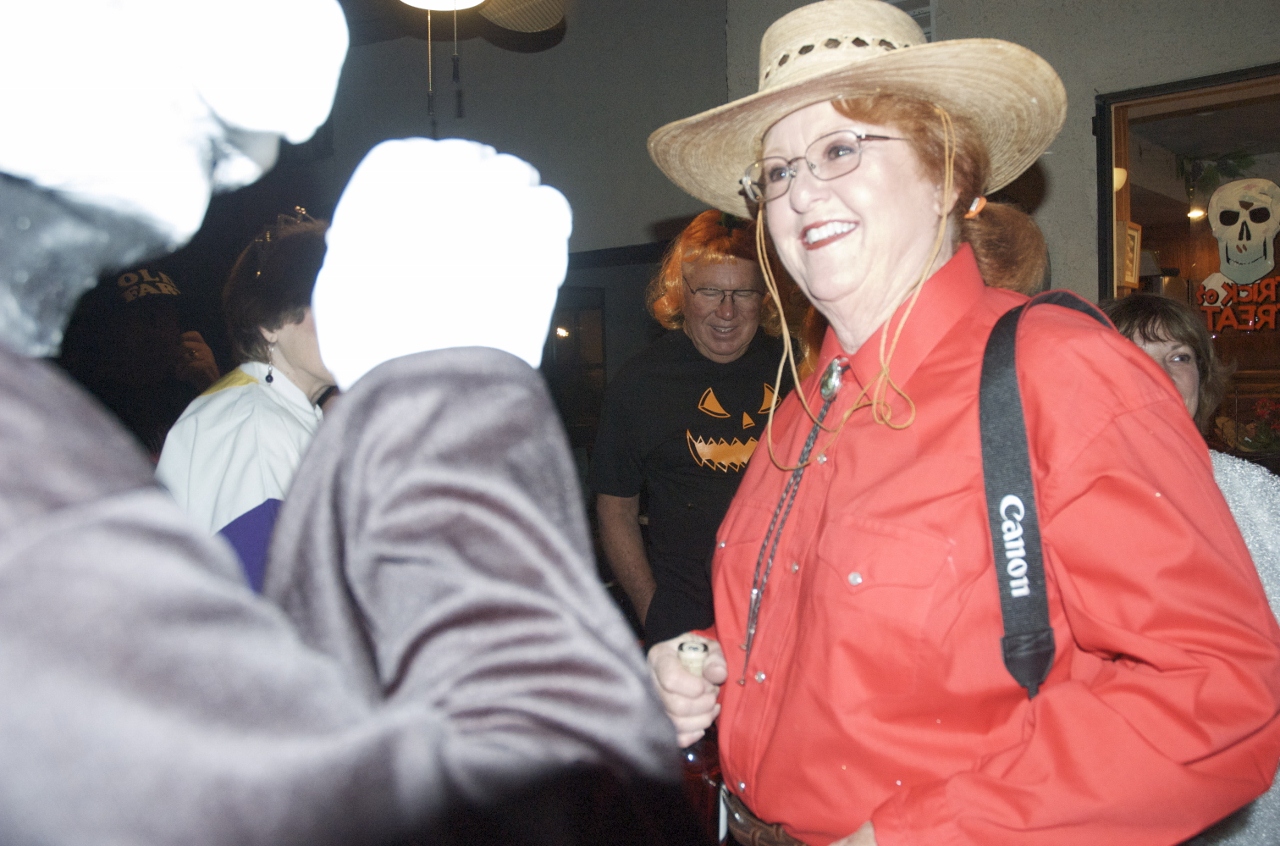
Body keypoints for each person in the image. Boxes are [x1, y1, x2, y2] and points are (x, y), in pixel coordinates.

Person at [0, 3, 689, 843]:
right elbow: (554, 798)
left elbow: (299, 686)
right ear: (287, 318)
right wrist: (451, 383)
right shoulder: (231, 427)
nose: (294, 107)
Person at [643, 1, 1280, 844]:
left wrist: (924, 835)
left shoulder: (1058, 371)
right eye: (779, 172)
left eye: (839, 150)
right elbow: (838, 638)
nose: (801, 195)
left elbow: (1220, 694)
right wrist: (707, 662)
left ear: (946, 174)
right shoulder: (802, 406)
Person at [1103, 292, 1280, 846]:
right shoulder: (1060, 502)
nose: (1157, 375)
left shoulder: (1260, 497)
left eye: (1177, 356)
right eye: (1131, 356)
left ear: (1202, 377)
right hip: (1121, 806)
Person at [590, 210, 791, 646]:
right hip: (687, 619)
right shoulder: (639, 384)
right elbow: (615, 511)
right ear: (682, 292)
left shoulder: (794, 369)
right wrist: (655, 613)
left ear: (766, 296)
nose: (726, 310)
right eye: (710, 291)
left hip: (788, 612)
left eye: (743, 293)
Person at [156, 213, 333, 590]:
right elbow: (262, 595)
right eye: (328, 302)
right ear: (270, 321)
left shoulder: (274, 411)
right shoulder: (255, 426)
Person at [57, 267, 220, 459]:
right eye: (146, 318)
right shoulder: (83, 405)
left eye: (167, 315)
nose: (162, 332)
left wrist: (215, 390)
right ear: (107, 331)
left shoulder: (188, 387)